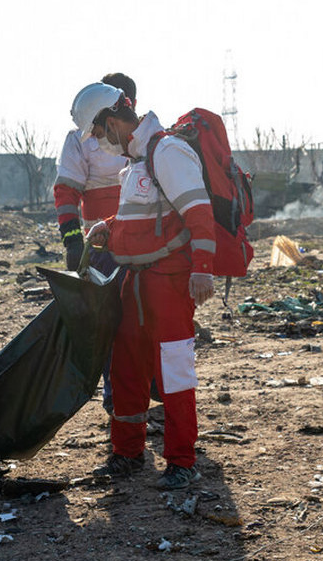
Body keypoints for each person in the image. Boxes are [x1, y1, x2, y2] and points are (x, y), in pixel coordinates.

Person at [71, 82, 215, 490]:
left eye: (99, 132)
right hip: (134, 281)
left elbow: (198, 212)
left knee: (174, 371)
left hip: (168, 284)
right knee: (126, 369)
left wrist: (201, 268)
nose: (98, 141)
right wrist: (109, 227)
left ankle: (182, 462)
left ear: (112, 120)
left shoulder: (167, 152)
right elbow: (146, 220)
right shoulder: (137, 161)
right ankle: (127, 453)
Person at [54, 73, 136, 415]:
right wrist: (73, 241)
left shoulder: (143, 138)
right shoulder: (79, 139)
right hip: (101, 246)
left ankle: (147, 391)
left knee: (142, 318)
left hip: (140, 242)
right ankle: (116, 395)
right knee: (108, 321)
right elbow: (66, 191)